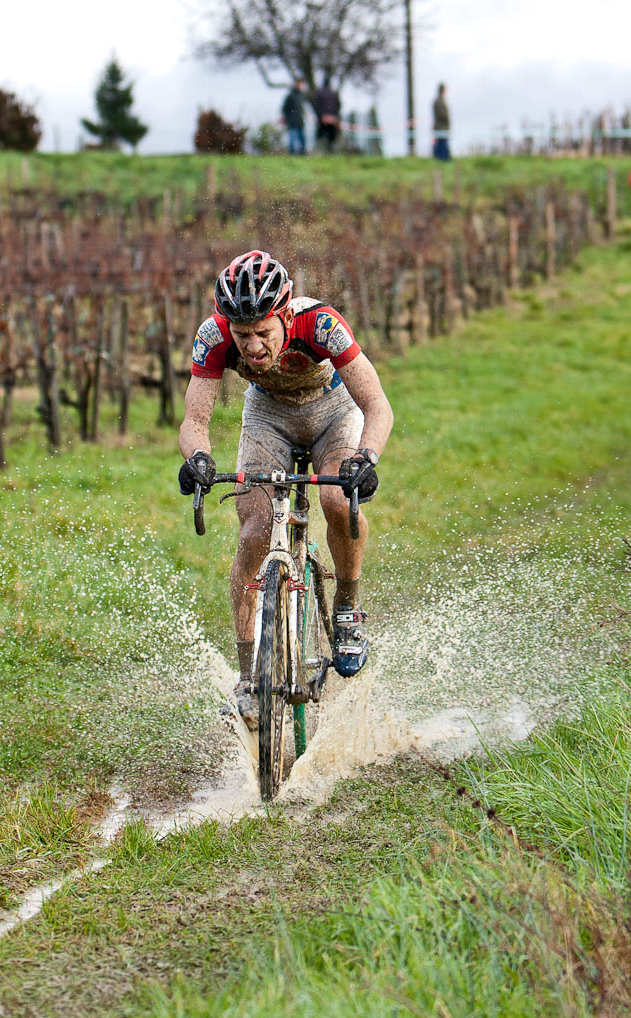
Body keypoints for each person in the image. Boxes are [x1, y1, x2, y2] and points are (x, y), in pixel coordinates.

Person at [178, 251, 393, 728]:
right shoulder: (213, 336)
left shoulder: (321, 325)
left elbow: (377, 405)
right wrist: (197, 459)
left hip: (332, 411)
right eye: (243, 336)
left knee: (338, 499)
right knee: (254, 531)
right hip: (268, 417)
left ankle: (347, 607)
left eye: (263, 333)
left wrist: (367, 458)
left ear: (287, 315)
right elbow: (195, 419)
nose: (252, 347)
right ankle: (249, 677)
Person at [312, 75, 341, 152]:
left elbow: (316, 105)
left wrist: (321, 116)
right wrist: (334, 116)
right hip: (332, 119)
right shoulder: (334, 93)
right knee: (331, 137)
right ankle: (331, 151)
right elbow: (338, 105)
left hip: (323, 119)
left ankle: (319, 151)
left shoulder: (319, 93)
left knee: (320, 136)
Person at [281, 79, 307, 155]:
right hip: (292, 120)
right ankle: (292, 153)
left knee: (301, 137)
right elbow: (285, 108)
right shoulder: (290, 96)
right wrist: (287, 118)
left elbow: (303, 108)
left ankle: (302, 153)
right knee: (292, 137)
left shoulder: (302, 96)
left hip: (300, 120)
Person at [432, 84, 451, 161]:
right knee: (441, 144)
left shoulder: (439, 100)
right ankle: (443, 159)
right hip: (441, 126)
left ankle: (441, 159)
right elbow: (442, 114)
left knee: (441, 143)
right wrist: (447, 120)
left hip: (441, 126)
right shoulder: (439, 101)